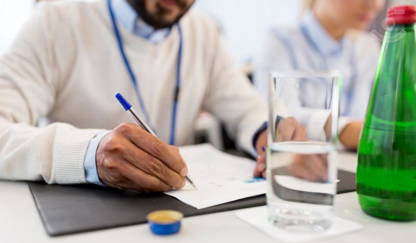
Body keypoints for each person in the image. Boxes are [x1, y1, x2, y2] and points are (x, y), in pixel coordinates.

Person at [0, 0, 303, 191]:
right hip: (84, 218)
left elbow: (245, 107)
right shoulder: (55, 21)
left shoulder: (201, 31)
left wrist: (268, 131)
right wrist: (90, 155)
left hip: (180, 213)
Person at [254, 0, 385, 150]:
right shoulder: (280, 40)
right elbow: (281, 119)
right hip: (303, 162)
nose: (374, 4)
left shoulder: (368, 47)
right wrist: (344, 129)